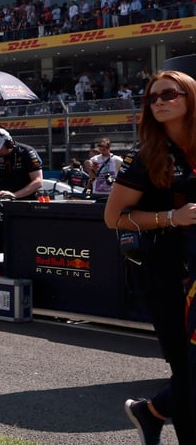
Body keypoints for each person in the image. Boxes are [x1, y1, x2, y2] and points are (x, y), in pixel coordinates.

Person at [103, 70, 196, 445]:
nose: (158, 101)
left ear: (190, 97)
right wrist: (171, 218)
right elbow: (114, 218)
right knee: (188, 371)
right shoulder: (145, 157)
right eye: (151, 98)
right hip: (169, 274)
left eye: (168, 94)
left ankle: (152, 410)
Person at [0, 128, 43, 201]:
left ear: (8, 144)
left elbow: (38, 181)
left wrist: (15, 195)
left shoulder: (27, 152)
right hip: (3, 200)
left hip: (26, 201)